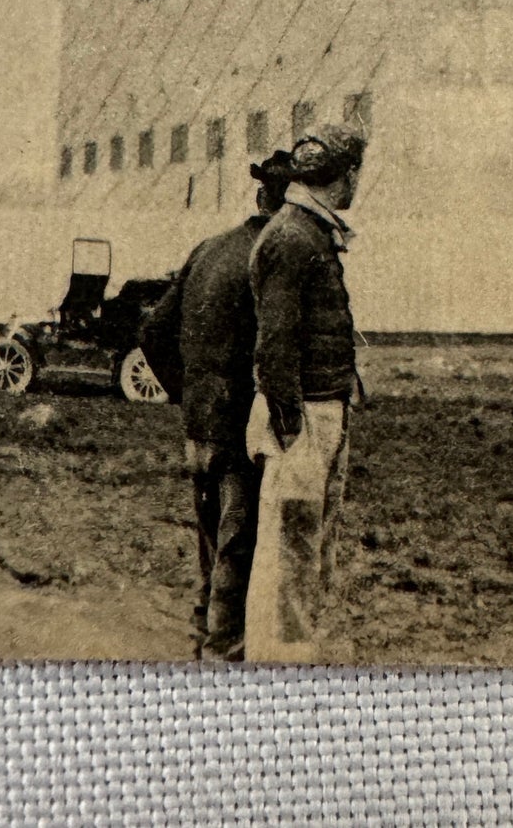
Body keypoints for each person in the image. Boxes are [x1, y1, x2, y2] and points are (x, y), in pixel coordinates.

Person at [148, 152, 291, 661]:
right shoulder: (276, 259)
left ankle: (201, 636)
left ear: (258, 198)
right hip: (239, 430)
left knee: (212, 539)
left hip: (199, 425)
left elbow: (154, 331)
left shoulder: (209, 249)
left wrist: (186, 394)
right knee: (238, 544)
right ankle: (222, 655)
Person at [244, 122, 368, 663]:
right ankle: (281, 665)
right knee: (291, 550)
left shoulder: (308, 231)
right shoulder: (295, 237)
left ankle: (291, 655)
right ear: (344, 178)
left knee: (304, 547)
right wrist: (293, 432)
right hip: (304, 420)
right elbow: (273, 349)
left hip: (318, 414)